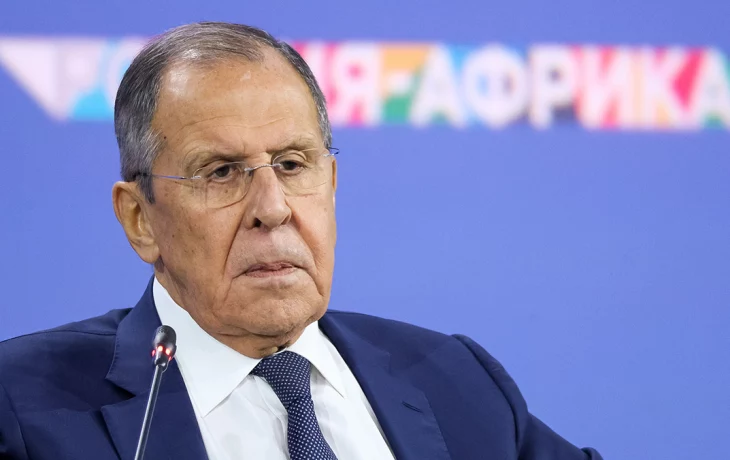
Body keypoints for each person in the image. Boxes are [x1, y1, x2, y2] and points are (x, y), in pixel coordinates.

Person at [0, 22, 602, 460]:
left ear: (331, 185)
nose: (272, 208)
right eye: (221, 172)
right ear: (140, 219)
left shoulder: (457, 382)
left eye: (292, 164)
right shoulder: (21, 408)